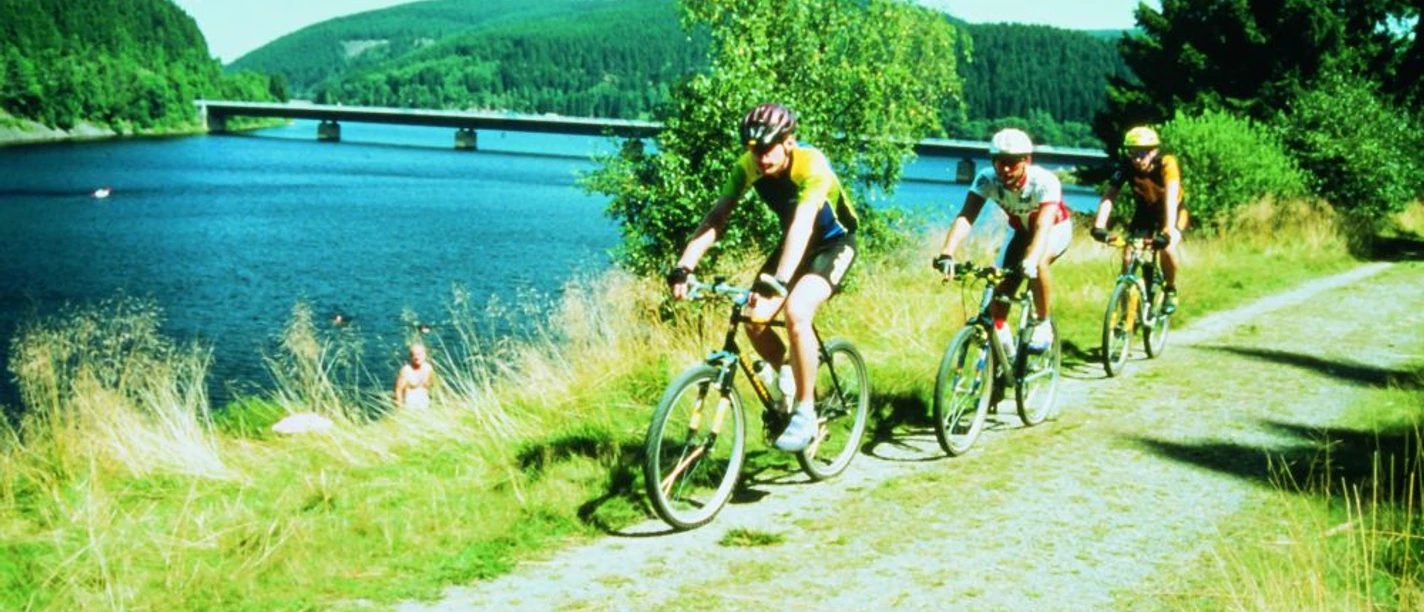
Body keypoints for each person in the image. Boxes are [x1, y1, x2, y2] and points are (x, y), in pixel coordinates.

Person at [666, 103, 859, 453]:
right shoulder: (748, 167)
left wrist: (781, 282)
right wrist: (684, 265)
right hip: (793, 245)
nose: (760, 158)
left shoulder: (811, 165)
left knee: (797, 312)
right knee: (753, 318)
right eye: (754, 149)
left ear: (789, 142)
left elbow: (802, 225)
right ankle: (788, 370)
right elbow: (716, 218)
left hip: (833, 243)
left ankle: (805, 413)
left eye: (768, 148)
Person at [933, 128, 1073, 355]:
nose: (1005, 169)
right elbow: (966, 217)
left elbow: (1043, 225)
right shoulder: (987, 179)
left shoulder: (1044, 181)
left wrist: (1031, 258)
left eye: (1012, 163)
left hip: (1055, 229)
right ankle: (1006, 358)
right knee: (997, 293)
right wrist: (947, 253)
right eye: (999, 162)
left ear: (1026, 160)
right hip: (1019, 232)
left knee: (1036, 264)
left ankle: (1043, 322)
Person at [1090, 126, 1183, 314]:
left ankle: (1170, 289)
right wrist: (1099, 225)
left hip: (1172, 211)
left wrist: (1167, 230)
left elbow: (1171, 196)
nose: (1137, 159)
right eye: (1132, 153)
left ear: (1154, 151)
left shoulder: (1166, 164)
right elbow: (1109, 196)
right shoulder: (1127, 166)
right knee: (1128, 255)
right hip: (1146, 212)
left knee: (1168, 248)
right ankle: (1125, 314)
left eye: (1142, 153)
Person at [394, 341, 434, 410]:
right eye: (414, 355)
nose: (417, 357)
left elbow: (430, 385)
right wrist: (400, 408)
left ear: (425, 354)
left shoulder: (428, 368)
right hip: (410, 407)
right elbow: (398, 390)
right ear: (411, 356)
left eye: (419, 354)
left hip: (425, 405)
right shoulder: (406, 370)